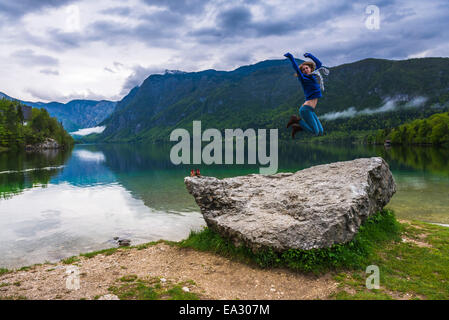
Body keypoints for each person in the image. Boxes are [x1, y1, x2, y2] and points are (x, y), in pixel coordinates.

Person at [284, 52, 326, 138]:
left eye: (306, 68)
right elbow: (296, 68)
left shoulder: (314, 75)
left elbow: (319, 64)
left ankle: (297, 127)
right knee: (316, 132)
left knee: (321, 131)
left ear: (310, 68)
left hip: (311, 110)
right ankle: (296, 121)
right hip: (305, 109)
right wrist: (291, 57)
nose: (305, 70)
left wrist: (310, 56)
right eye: (303, 70)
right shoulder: (303, 79)